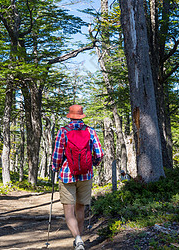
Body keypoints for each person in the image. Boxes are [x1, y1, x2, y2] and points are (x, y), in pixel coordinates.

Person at [51, 104, 104, 250]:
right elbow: (99, 154)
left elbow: (57, 154)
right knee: (80, 209)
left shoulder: (63, 132)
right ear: (81, 116)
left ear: (70, 116)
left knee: (69, 211)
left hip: (67, 176)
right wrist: (93, 164)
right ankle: (80, 241)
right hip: (86, 175)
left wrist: (55, 168)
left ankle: (78, 239)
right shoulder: (90, 131)